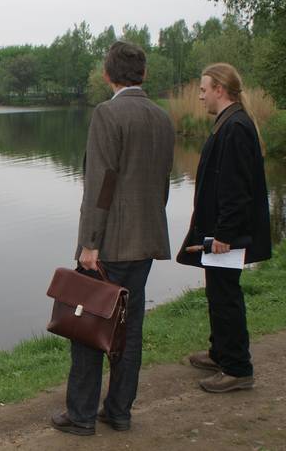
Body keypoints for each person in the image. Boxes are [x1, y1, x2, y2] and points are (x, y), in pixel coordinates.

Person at [51, 41, 175, 436]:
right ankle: (119, 411)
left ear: (107, 74)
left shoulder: (108, 113)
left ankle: (81, 415)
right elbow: (162, 182)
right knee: (129, 327)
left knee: (89, 325)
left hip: (109, 245)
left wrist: (90, 243)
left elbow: (100, 184)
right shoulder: (162, 117)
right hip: (146, 239)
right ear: (144, 74)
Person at [176, 63, 271, 393]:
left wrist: (225, 235)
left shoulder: (236, 127)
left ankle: (237, 368)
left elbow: (236, 190)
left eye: (204, 90)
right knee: (217, 293)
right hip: (219, 231)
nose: (200, 96)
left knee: (226, 296)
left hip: (225, 235)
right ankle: (220, 352)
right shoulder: (229, 122)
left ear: (220, 89)